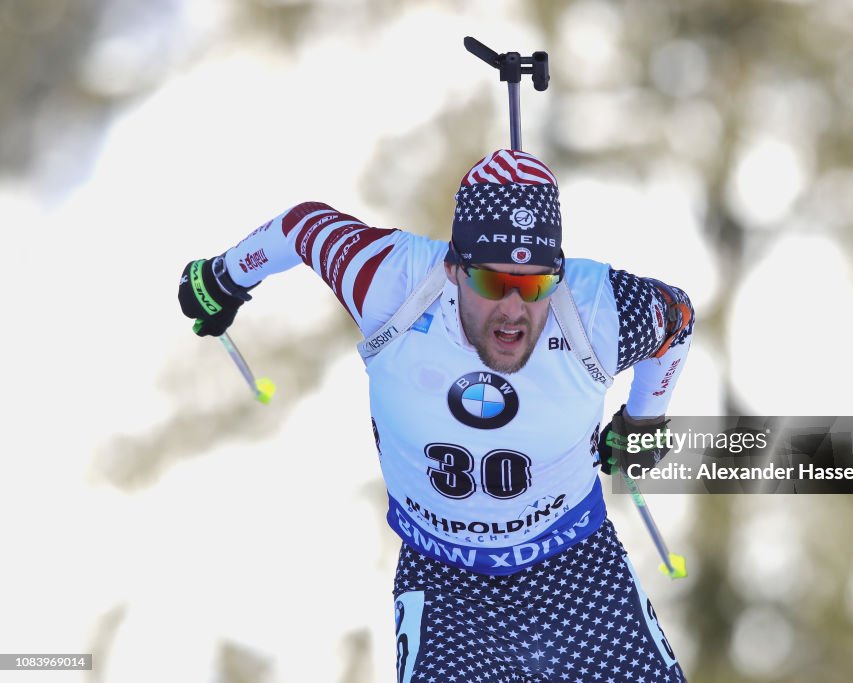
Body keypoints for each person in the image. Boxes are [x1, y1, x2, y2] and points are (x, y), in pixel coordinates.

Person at [179, 149, 694, 683]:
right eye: (493, 283)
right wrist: (223, 277)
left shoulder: (600, 307)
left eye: (536, 284)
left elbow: (678, 321)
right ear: (453, 267)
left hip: (575, 567)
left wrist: (642, 424)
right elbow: (301, 228)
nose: (514, 310)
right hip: (445, 582)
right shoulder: (391, 280)